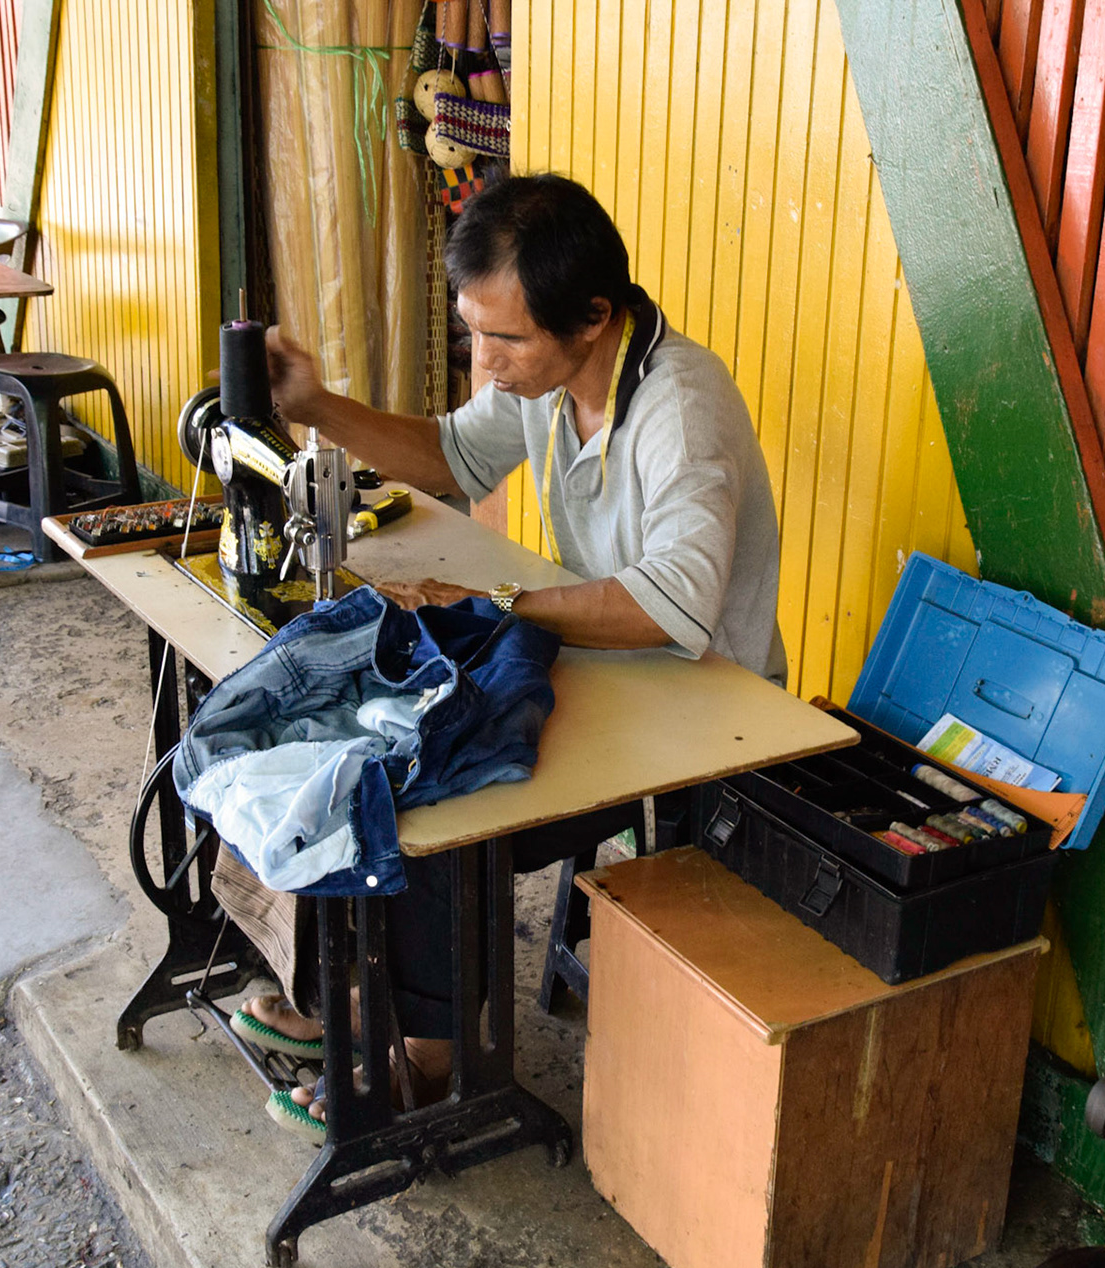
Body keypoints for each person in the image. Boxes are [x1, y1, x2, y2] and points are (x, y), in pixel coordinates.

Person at [238, 172, 785, 1127]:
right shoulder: (552, 376)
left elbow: (674, 605)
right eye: (474, 333)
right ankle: (353, 1000)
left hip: (703, 705)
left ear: (593, 317)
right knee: (373, 735)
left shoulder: (677, 410)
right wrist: (316, 405)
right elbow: (453, 457)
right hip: (605, 666)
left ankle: (434, 1056)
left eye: (506, 339)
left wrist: (497, 600)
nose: (486, 363)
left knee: (442, 790)